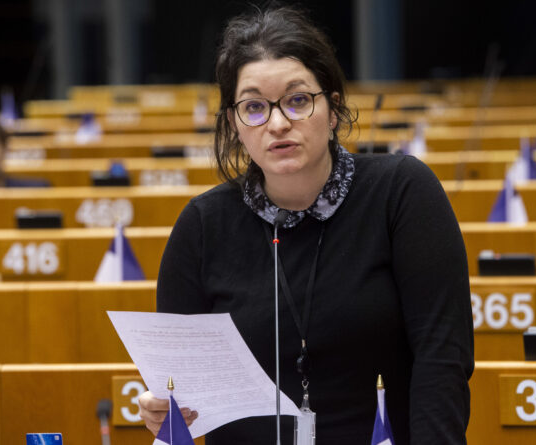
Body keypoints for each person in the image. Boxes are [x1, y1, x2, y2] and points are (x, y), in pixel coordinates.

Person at [139, 6, 473, 444]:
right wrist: (164, 406)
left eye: (297, 100)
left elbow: (442, 357)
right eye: (254, 107)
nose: (278, 123)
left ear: (332, 110)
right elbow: (180, 391)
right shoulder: (202, 226)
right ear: (236, 125)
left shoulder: (401, 192)